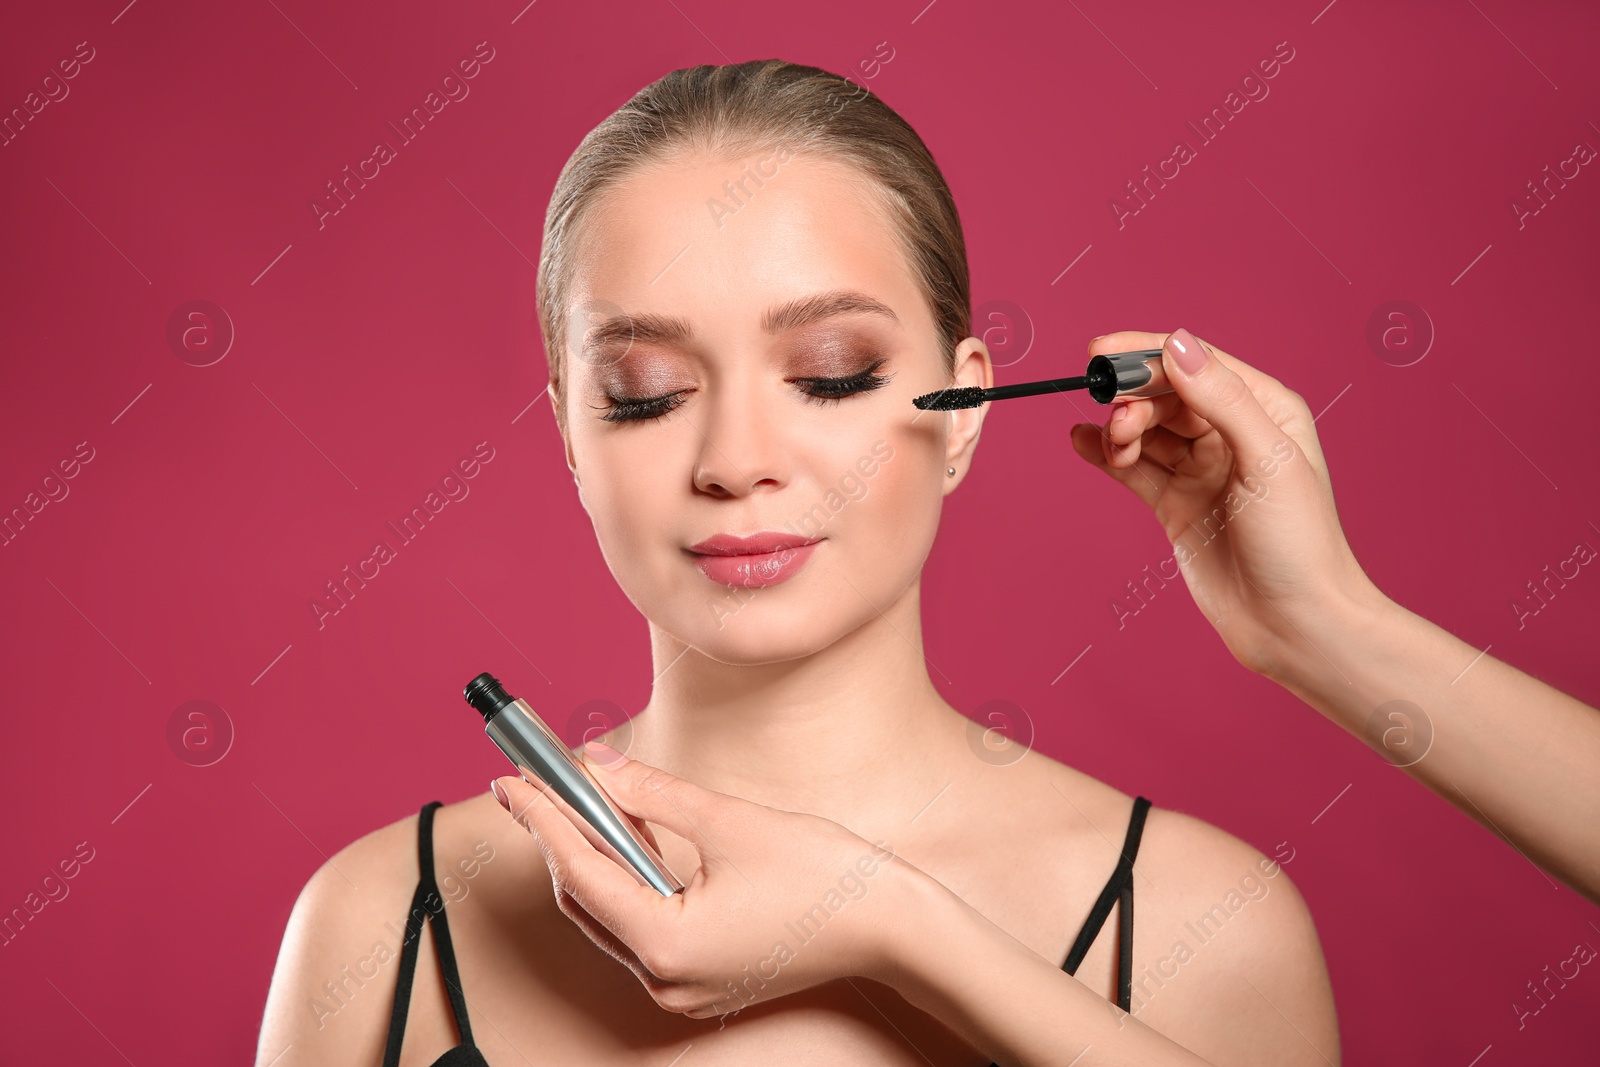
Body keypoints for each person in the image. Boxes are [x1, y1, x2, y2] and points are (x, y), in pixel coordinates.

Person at [256, 60, 1341, 1067]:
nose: (736, 461)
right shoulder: (382, 921)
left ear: (962, 411)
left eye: (829, 375)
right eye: (646, 391)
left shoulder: (1204, 926)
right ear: (570, 436)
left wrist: (897, 926)